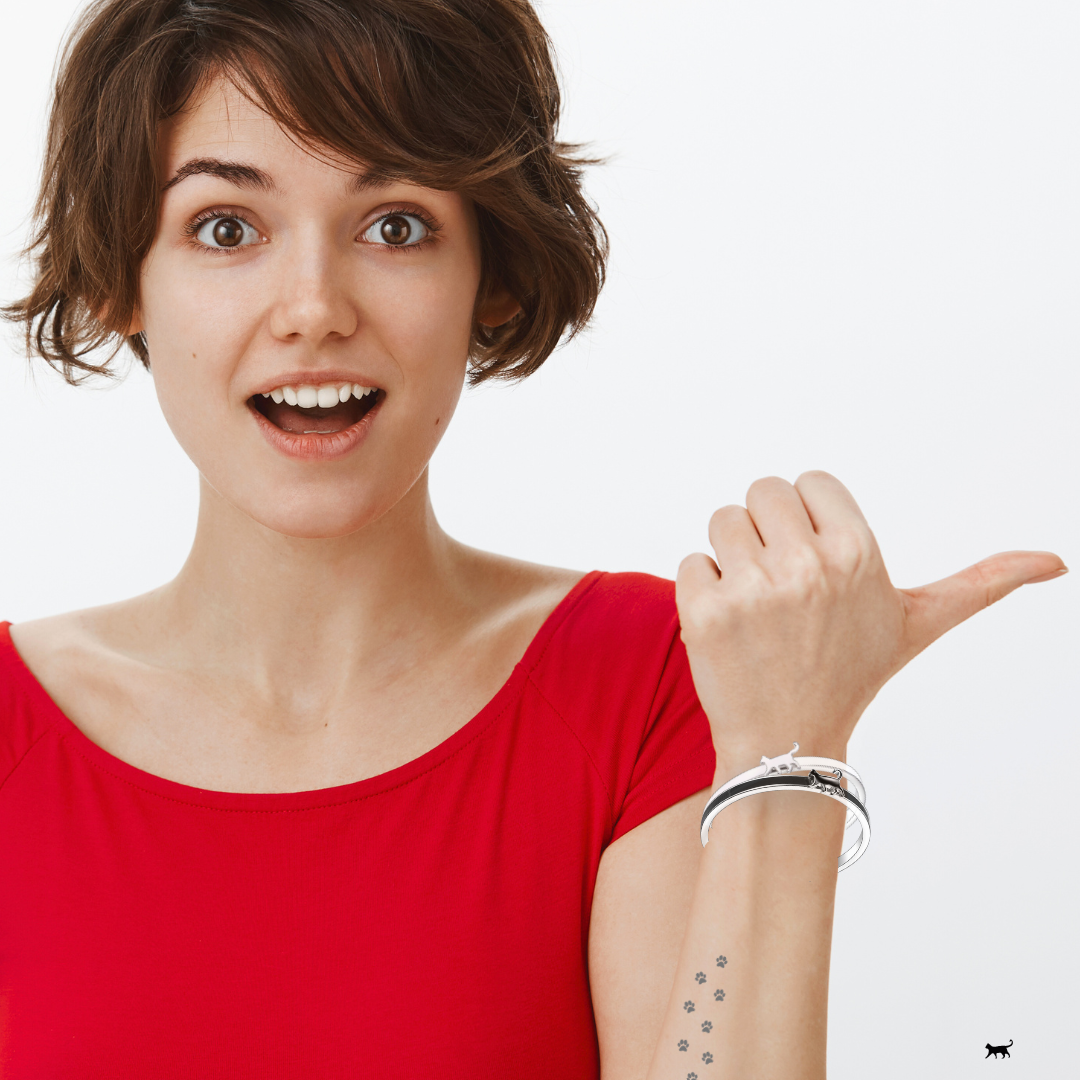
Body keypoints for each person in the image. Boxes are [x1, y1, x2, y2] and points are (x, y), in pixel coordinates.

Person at [0, 1, 1065, 1077]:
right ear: (120, 278)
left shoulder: (647, 680)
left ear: (492, 275)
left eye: (396, 225)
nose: (313, 308)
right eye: (226, 228)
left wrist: (789, 759)